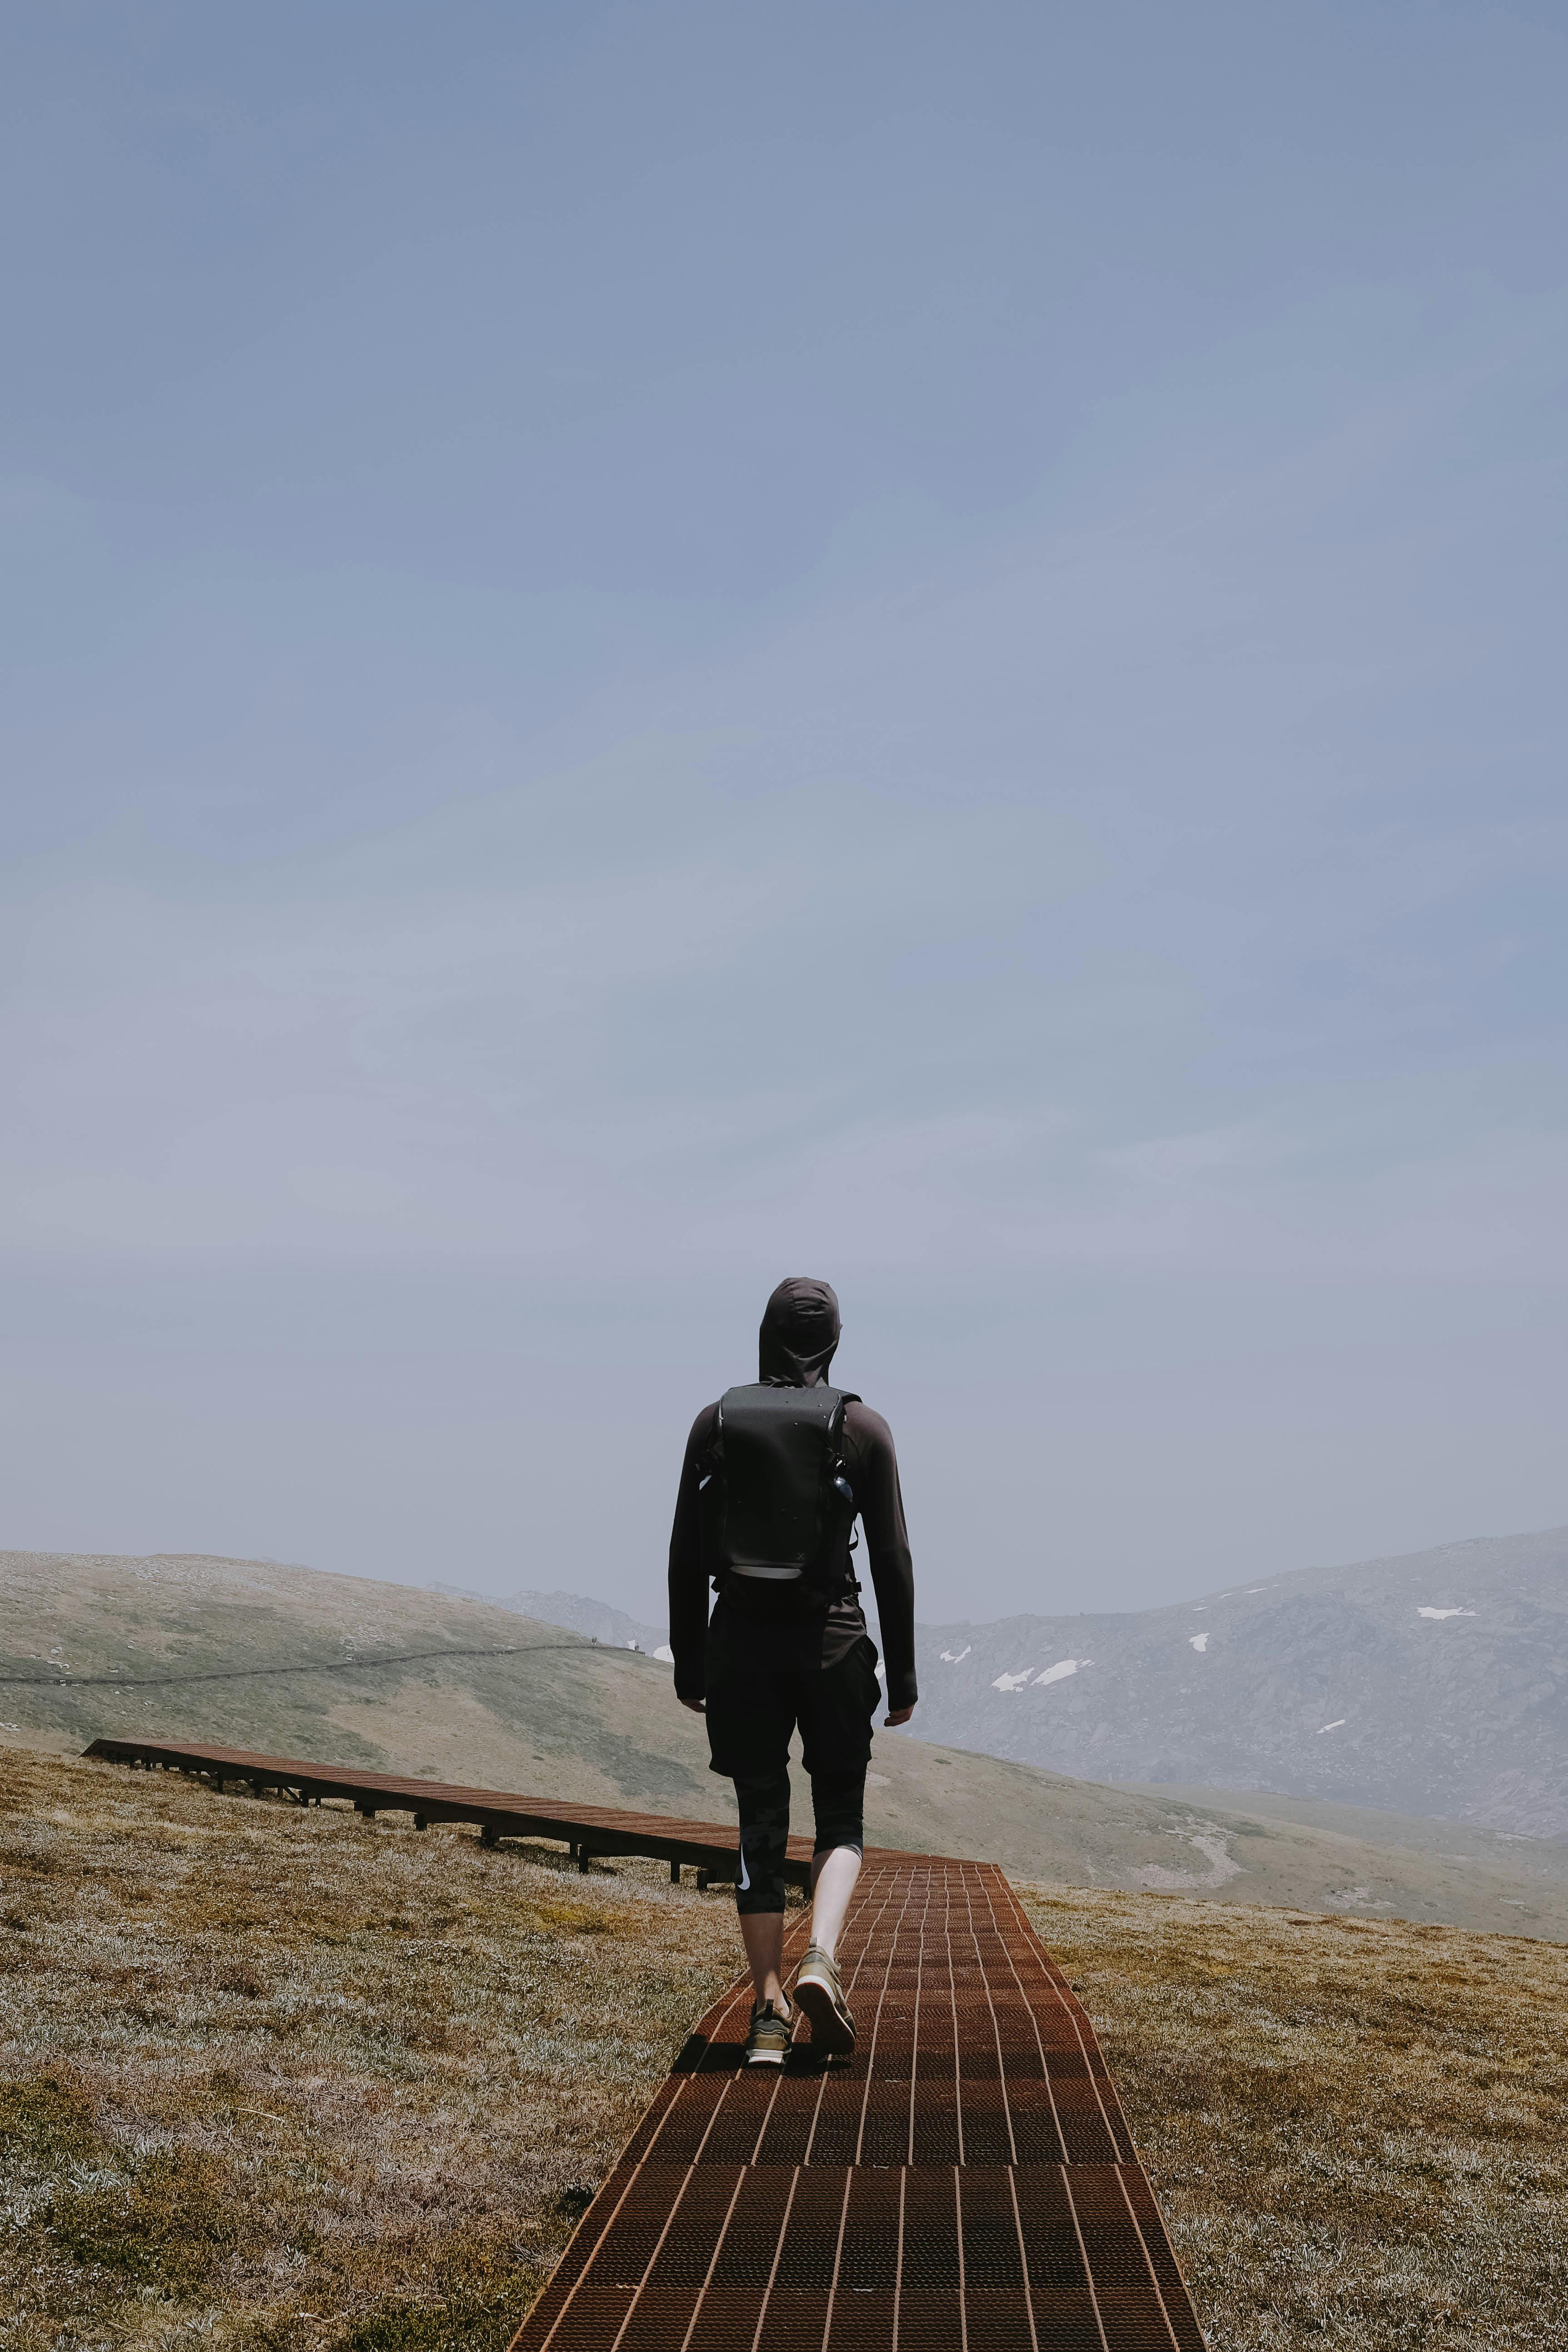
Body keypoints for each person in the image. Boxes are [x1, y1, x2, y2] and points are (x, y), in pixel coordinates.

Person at [667, 1276, 917, 2066]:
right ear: (833, 1343)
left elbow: (685, 1554)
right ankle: (822, 1958)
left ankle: (768, 2011)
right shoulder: (862, 1428)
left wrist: (689, 1664)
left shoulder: (715, 1422)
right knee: (839, 1816)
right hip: (832, 1644)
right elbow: (892, 1559)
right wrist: (904, 1680)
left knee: (759, 1821)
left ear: (765, 1336)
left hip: (740, 1646)